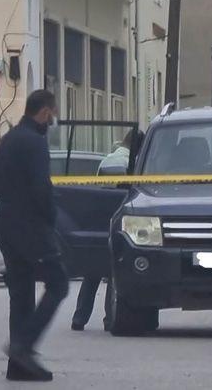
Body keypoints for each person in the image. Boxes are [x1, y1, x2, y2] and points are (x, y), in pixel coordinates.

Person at [0, 90, 69, 382]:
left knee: (21, 292)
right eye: (53, 114)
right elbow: (41, 188)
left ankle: (18, 366)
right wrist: (50, 219)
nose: (53, 120)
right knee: (58, 284)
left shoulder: (8, 139)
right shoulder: (35, 143)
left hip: (6, 223)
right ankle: (23, 346)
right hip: (30, 226)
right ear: (45, 112)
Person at [71, 130, 143, 332]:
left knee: (92, 271)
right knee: (114, 272)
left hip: (98, 219)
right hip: (119, 219)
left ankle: (79, 318)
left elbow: (97, 189)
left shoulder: (107, 160)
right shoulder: (133, 163)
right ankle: (110, 318)